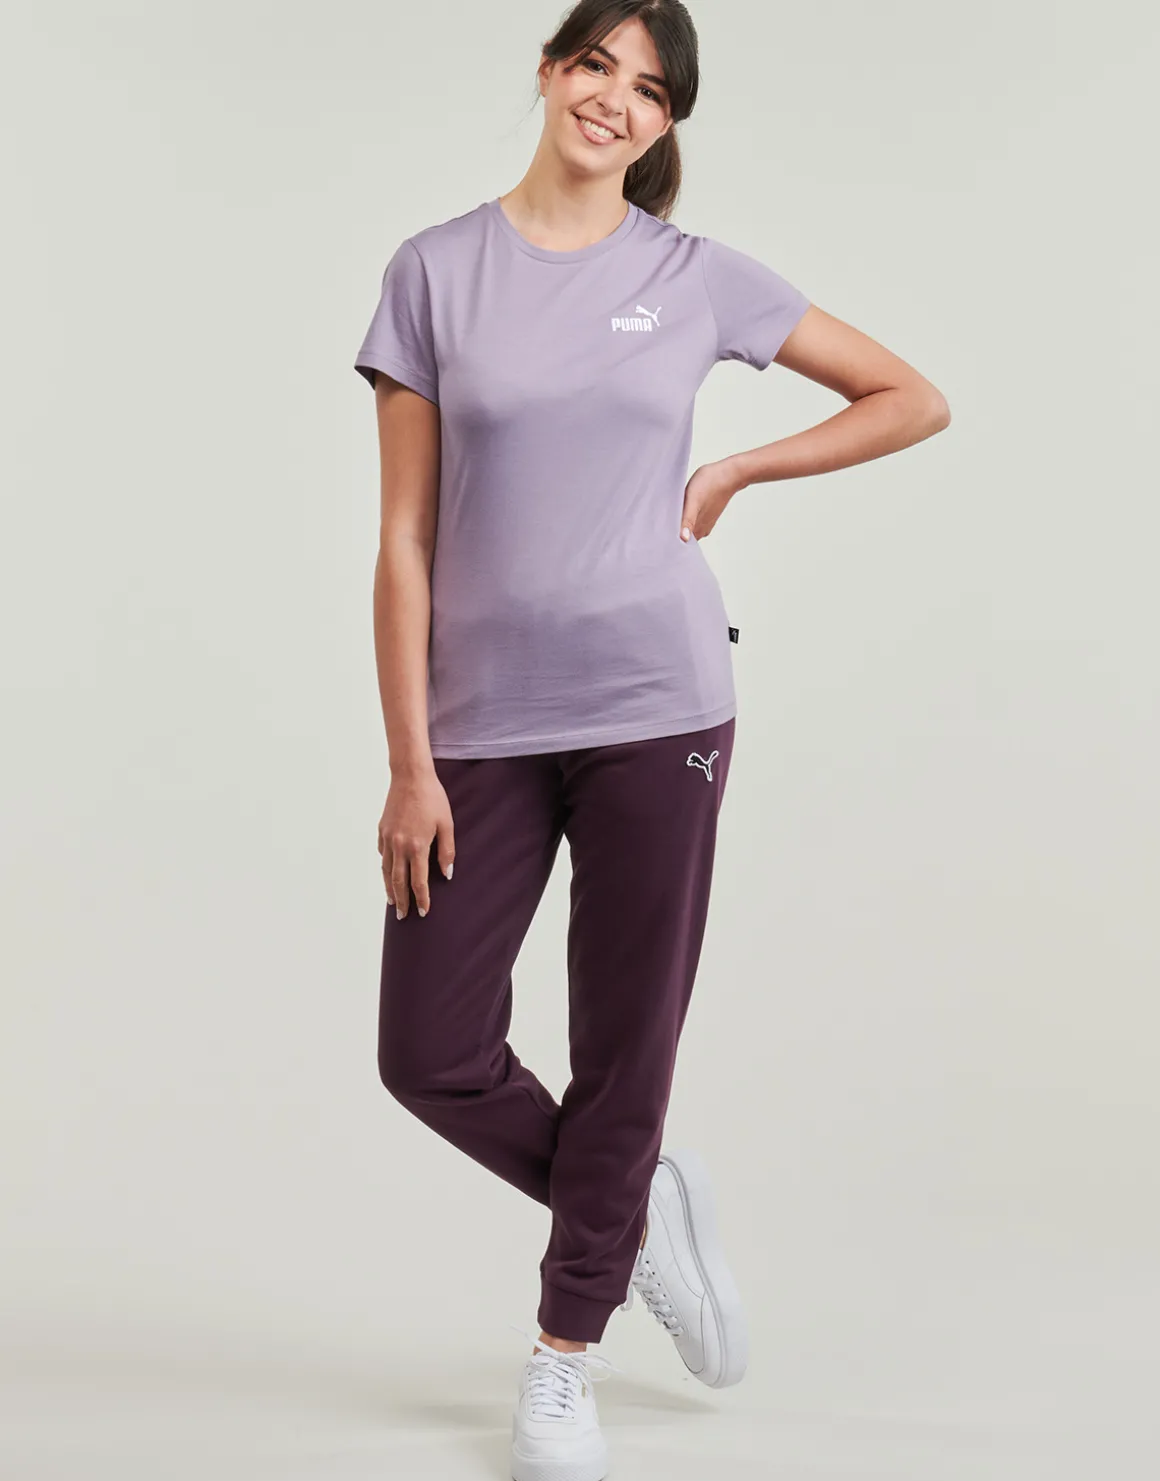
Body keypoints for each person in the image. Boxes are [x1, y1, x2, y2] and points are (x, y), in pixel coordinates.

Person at [352, 3, 950, 1478]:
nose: (614, 99)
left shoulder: (693, 278)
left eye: (649, 88)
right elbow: (405, 538)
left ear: (668, 120)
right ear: (549, 72)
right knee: (428, 1052)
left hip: (659, 708)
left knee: (625, 1045)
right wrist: (410, 762)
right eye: (595, 66)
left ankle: (564, 1357)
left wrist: (741, 466)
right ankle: (633, 1202)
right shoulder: (433, 271)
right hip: (480, 727)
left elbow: (910, 398)